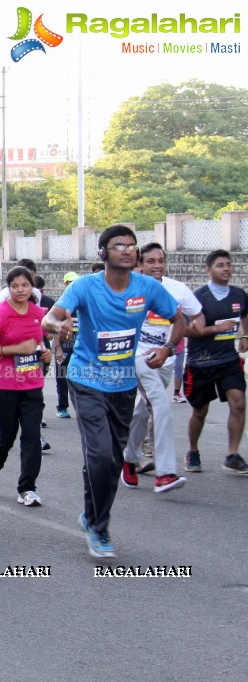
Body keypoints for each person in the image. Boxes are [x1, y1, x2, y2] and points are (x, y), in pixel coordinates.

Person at [42, 224, 182, 558]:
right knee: (100, 453)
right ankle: (99, 528)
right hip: (86, 377)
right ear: (103, 253)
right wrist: (56, 325)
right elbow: (51, 317)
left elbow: (179, 318)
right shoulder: (85, 287)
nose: (127, 250)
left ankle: (91, 515)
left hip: (123, 383)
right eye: (119, 245)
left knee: (111, 459)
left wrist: (168, 349)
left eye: (132, 246)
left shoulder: (147, 287)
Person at [119, 243, 201, 492]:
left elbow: (197, 317)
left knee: (142, 411)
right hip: (137, 357)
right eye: (151, 261)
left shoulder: (177, 289)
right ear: (139, 265)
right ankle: (164, 473)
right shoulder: (128, 290)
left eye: (160, 261)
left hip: (166, 360)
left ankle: (129, 458)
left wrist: (176, 338)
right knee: (160, 404)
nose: (157, 266)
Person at [0, 266, 51, 506]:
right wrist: (15, 350)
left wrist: (46, 354)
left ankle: (27, 488)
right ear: (8, 288)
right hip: (5, 384)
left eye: (25, 285)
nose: (21, 290)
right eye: (15, 286)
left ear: (31, 286)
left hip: (32, 384)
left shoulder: (37, 312)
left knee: (32, 437)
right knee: (5, 437)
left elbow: (39, 342)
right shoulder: (0, 313)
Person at [183, 249, 248, 475]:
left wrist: (245, 336)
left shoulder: (239, 295)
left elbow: (244, 316)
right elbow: (185, 330)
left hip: (228, 360)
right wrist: (215, 329)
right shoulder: (197, 297)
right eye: (220, 265)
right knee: (200, 411)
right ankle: (193, 451)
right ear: (209, 270)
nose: (226, 268)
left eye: (229, 264)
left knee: (239, 403)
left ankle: (232, 454)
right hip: (200, 362)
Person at [54, 272, 79, 418]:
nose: (72, 285)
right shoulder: (61, 305)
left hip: (79, 350)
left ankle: (81, 408)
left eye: (74, 282)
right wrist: (58, 348)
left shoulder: (83, 303)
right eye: (70, 282)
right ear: (65, 284)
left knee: (78, 380)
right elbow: (55, 328)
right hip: (64, 348)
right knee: (62, 379)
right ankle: (62, 407)